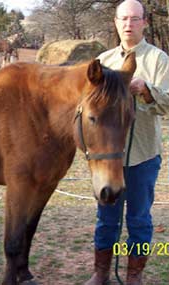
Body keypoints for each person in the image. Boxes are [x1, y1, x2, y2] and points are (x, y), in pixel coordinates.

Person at [85, 1, 169, 285]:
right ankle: (101, 272)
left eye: (135, 19)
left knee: (139, 218)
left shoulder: (159, 59)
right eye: (124, 19)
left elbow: (168, 103)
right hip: (109, 158)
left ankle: (135, 274)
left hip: (143, 154)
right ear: (116, 22)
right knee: (106, 217)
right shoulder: (102, 61)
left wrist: (147, 90)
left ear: (144, 22)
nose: (128, 24)